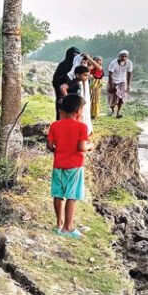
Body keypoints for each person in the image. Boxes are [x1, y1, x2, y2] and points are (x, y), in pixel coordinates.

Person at [47, 95, 94, 239]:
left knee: (58, 194)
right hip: (74, 166)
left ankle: (59, 224)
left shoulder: (55, 125)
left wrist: (60, 151)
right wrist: (90, 146)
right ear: (79, 111)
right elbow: (81, 147)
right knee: (71, 196)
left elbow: (50, 146)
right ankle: (68, 227)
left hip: (58, 165)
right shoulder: (82, 127)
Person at [59, 65, 93, 135]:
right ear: (77, 75)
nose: (87, 77)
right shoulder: (74, 82)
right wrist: (67, 100)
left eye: (87, 75)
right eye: (85, 75)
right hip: (74, 106)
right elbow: (63, 87)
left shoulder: (83, 82)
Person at [53, 47, 81, 120]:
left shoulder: (80, 66)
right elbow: (55, 81)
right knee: (62, 113)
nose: (75, 58)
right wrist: (67, 76)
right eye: (73, 55)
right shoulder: (62, 66)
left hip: (75, 93)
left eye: (77, 56)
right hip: (63, 93)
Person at [107, 49, 133, 118]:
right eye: (122, 56)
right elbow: (110, 74)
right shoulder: (113, 63)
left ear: (127, 57)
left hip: (122, 81)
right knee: (113, 98)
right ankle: (112, 110)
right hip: (113, 81)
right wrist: (110, 84)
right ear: (119, 56)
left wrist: (128, 85)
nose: (124, 58)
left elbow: (129, 74)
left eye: (125, 56)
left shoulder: (129, 63)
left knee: (121, 98)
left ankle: (118, 112)